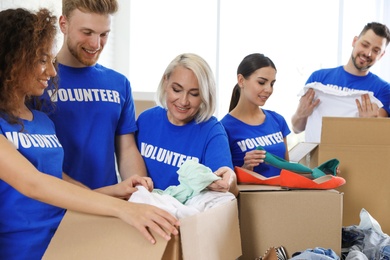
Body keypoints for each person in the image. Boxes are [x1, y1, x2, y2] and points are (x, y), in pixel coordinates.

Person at [0, 8, 179, 260]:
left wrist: (116, 191)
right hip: (23, 250)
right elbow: (33, 183)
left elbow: (56, 182)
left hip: (68, 239)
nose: (52, 73)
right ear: (14, 60)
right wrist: (120, 209)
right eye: (42, 60)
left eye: (104, 33)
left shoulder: (42, 120)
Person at [40, 0, 146, 190]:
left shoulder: (119, 84)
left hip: (108, 205)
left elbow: (127, 149)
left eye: (104, 34)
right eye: (87, 32)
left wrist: (139, 190)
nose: (96, 44)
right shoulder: (38, 81)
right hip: (54, 205)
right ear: (63, 24)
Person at [135, 53, 239, 196]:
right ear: (165, 82)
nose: (183, 101)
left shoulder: (212, 131)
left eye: (194, 94)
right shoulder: (145, 120)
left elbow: (229, 188)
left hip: (187, 215)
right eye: (177, 90)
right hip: (143, 209)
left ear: (204, 95)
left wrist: (230, 180)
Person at [291, 22, 390, 142]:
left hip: (355, 158)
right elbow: (297, 128)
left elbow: (378, 139)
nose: (368, 53)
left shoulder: (384, 89)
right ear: (354, 41)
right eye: (365, 45)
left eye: (376, 50)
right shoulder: (319, 79)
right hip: (319, 158)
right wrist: (301, 114)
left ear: (382, 55)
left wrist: (369, 123)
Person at [220, 53, 291, 178]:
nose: (268, 89)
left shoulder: (278, 121)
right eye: (262, 82)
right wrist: (246, 168)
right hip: (250, 197)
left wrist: (321, 174)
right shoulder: (224, 128)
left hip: (282, 196)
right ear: (241, 80)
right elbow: (223, 182)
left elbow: (288, 170)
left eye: (272, 84)